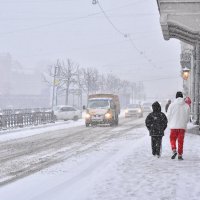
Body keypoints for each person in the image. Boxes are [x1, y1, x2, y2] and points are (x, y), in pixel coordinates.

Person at [166, 91, 190, 160]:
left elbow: (168, 116)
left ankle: (174, 150)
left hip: (173, 126)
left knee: (172, 139)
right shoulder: (186, 106)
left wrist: (170, 122)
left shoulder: (172, 105)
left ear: (176, 97)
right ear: (182, 97)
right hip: (182, 126)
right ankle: (180, 155)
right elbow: (188, 117)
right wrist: (184, 122)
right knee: (180, 141)